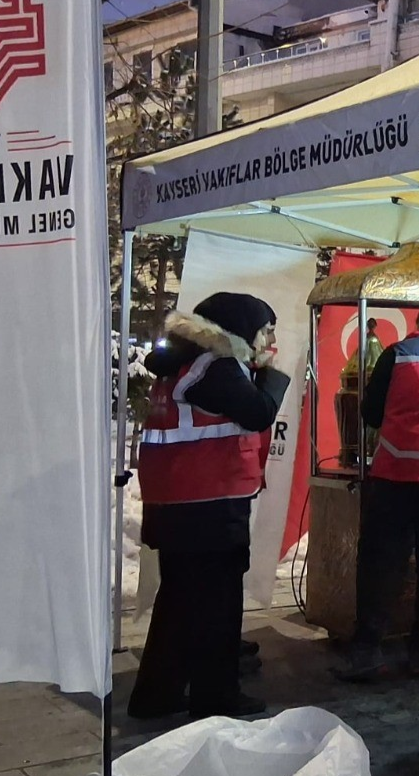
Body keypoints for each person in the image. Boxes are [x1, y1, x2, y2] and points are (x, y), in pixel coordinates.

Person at [128, 293, 291, 720]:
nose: (270, 339)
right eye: (265, 330)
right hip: (208, 507)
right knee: (217, 609)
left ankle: (156, 695)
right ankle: (215, 698)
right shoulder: (215, 367)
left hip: (183, 505)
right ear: (241, 331)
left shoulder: (189, 363)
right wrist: (272, 376)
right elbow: (256, 412)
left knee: (180, 605)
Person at [337, 305, 419, 683]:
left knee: (382, 563)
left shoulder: (398, 354)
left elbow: (371, 413)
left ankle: (368, 650)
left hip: (397, 474)